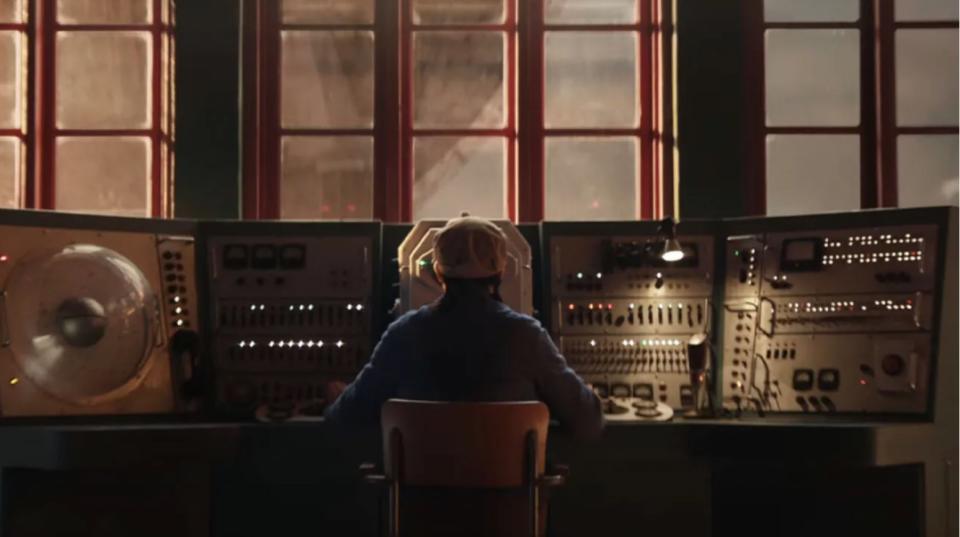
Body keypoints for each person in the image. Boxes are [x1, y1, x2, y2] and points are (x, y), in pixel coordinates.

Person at [324, 214, 603, 439]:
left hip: (419, 505)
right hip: (508, 506)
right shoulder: (526, 336)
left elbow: (345, 419)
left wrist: (340, 396)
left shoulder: (404, 334)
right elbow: (587, 423)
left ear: (437, 273)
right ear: (502, 271)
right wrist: (587, 395)